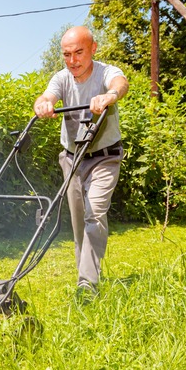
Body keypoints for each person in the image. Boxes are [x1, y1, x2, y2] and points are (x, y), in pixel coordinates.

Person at [33, 26, 129, 299]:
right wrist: (43, 104)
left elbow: (121, 83)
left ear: (93, 49)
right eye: (66, 54)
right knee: (78, 224)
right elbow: (47, 96)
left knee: (94, 214)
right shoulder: (61, 78)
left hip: (105, 157)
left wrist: (110, 95)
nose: (72, 60)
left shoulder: (105, 71)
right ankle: (85, 278)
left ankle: (87, 285)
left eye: (78, 52)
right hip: (72, 159)